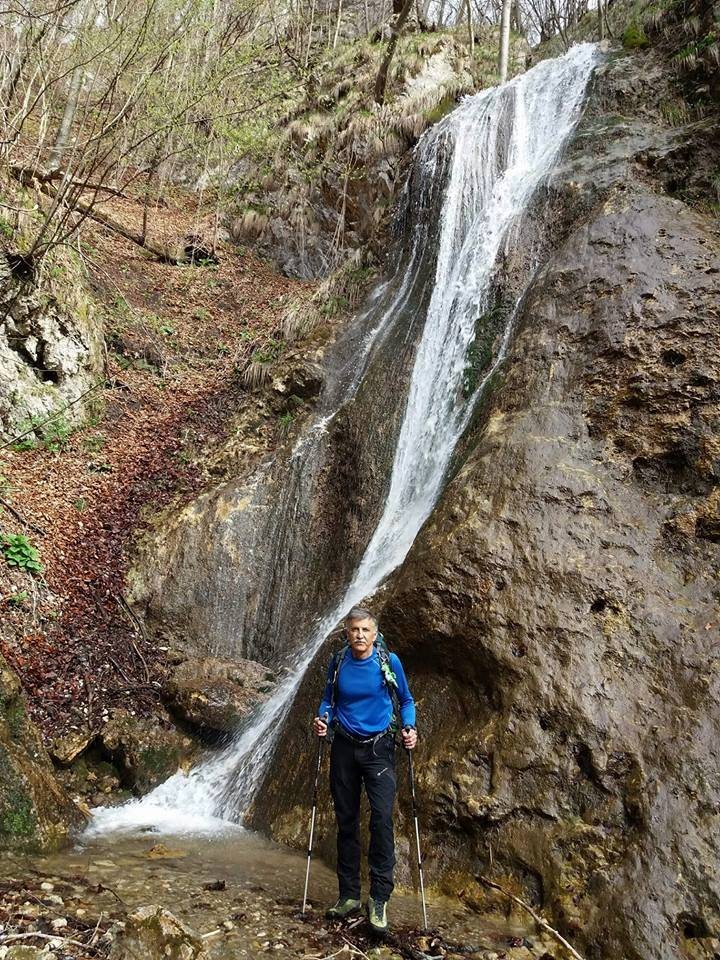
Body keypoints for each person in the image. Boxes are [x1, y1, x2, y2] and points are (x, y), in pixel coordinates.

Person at [313, 606, 417, 934]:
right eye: (354, 629)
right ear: (347, 631)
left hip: (379, 749)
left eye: (365, 630)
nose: (359, 635)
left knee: (382, 821)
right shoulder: (339, 661)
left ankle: (379, 898)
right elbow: (328, 699)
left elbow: (406, 701)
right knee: (346, 821)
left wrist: (410, 727)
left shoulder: (389, 662)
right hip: (344, 747)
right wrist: (322, 719)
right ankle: (348, 895)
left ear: (375, 633)